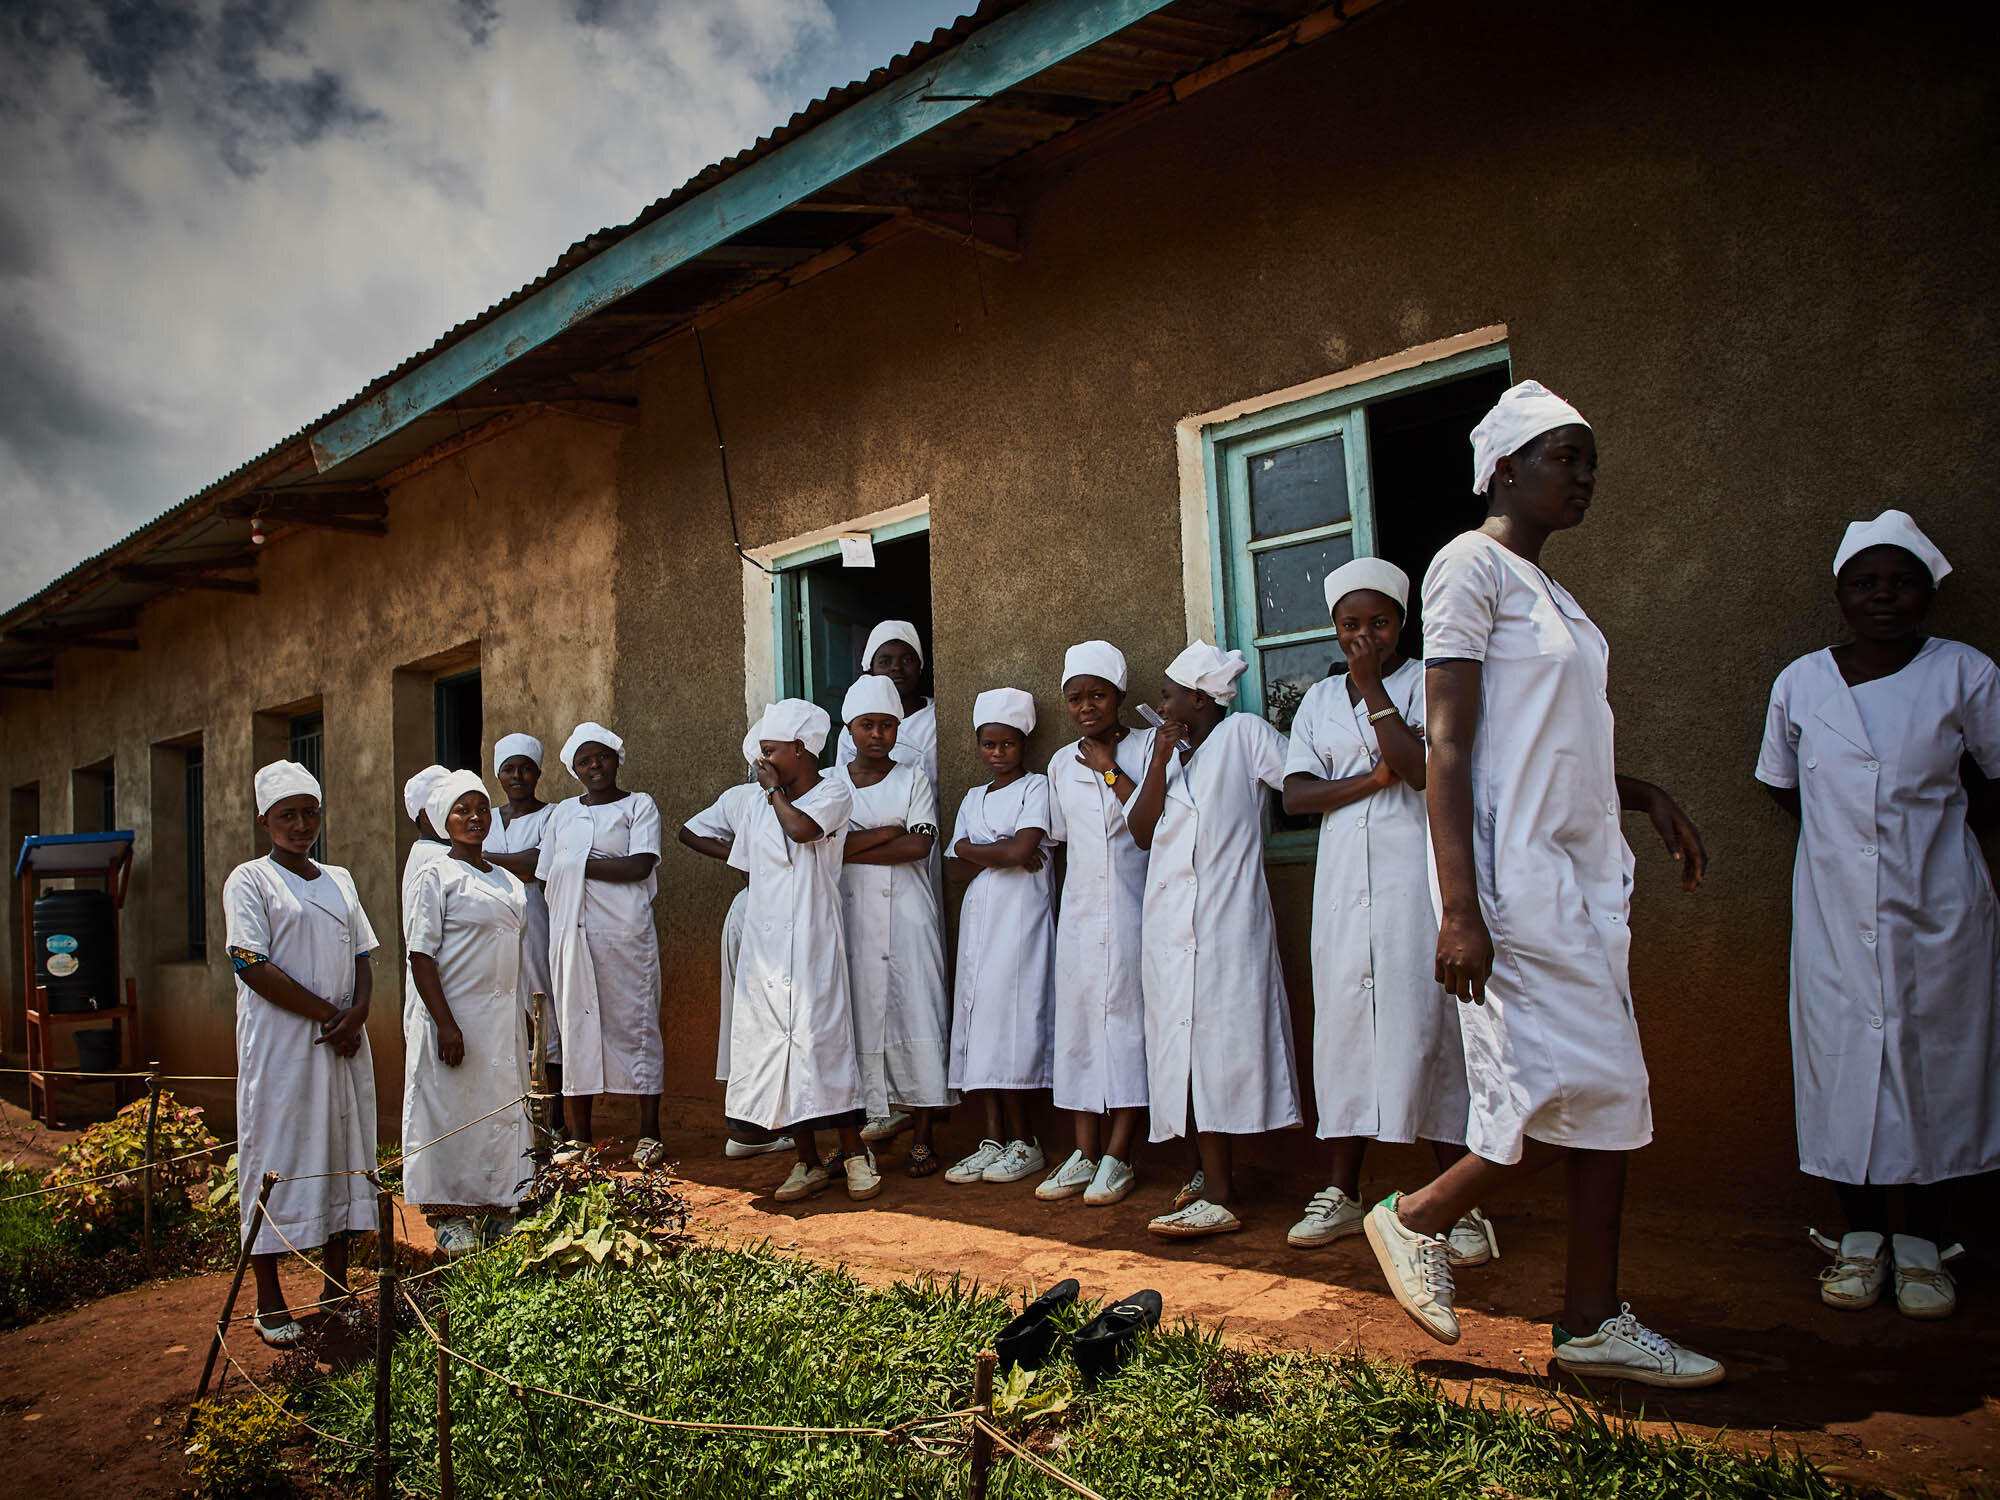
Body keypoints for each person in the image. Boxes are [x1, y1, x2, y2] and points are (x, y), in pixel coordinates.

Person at [1361, 378, 1723, 1389]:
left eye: (1588, 458)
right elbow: (1446, 747)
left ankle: (1588, 1323)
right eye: (1564, 455)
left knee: (1609, 1096)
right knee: (1547, 1085)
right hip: (1510, 883)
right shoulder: (1466, 568)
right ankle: (1414, 1216)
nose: (1584, 476)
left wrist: (1637, 791)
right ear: (1504, 468)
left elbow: (1541, 746)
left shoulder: (1552, 594)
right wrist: (1458, 909)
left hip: (1576, 876)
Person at [1757, 509, 1998, 1319]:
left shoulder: (1965, 672)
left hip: (1940, 908)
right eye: (1866, 583)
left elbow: (1992, 779)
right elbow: (1783, 785)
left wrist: (1912, 840)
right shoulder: (1800, 681)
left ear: (1927, 593)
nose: (1883, 597)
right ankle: (1859, 1241)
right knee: (1839, 1067)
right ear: (1841, 594)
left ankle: (1926, 1245)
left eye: (1900, 583)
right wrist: (1851, 849)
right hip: (1832, 915)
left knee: (1942, 1066)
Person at [1281, 560, 1495, 1269]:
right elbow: (1297, 797)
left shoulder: (1430, 680)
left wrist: (1373, 692)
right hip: (1344, 891)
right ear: (1333, 628)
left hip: (1417, 884)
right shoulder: (1314, 702)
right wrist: (1366, 780)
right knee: (1344, 1031)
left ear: (1403, 624)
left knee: (1431, 1029)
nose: (1363, 636)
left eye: (1378, 623)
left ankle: (1461, 1207)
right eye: (1350, 625)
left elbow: (1421, 767)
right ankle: (1340, 1193)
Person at [1126, 642, 1301, 1238]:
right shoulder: (1177, 762)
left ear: (1199, 699)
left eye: (1170, 695)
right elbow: (1140, 832)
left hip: (1227, 925)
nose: (1163, 704)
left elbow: (1298, 781)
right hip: (1169, 931)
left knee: (1218, 1055)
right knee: (1183, 1052)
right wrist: (1157, 761)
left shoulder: (1242, 735)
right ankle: (1205, 1176)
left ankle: (1223, 1193)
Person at [223, 761, 379, 1346]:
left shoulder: (339, 878)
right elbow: (250, 963)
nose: (300, 824)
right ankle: (269, 1300)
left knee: (341, 1151)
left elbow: (364, 954)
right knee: (276, 1157)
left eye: (308, 812)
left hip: (341, 1043)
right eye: (286, 815)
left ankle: (337, 1291)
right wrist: (328, 1016)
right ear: (263, 819)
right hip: (285, 1048)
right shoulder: (250, 881)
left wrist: (357, 1013)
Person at [726, 699, 882, 1202]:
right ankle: (806, 1161)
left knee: (822, 1042)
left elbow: (803, 831)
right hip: (767, 945)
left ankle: (855, 1154)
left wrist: (774, 791)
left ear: (800, 749)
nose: (763, 760)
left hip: (815, 937)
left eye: (771, 751)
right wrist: (769, 793)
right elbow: (749, 863)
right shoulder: (756, 804)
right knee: (778, 1049)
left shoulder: (834, 791)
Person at [1037, 641, 1153, 1207]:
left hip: (1137, 908)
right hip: (1081, 912)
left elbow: (1155, 826)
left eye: (1098, 695)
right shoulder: (1060, 764)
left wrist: (1112, 776)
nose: (1087, 707)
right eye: (1076, 697)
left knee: (1130, 1024)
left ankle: (1120, 1153)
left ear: (1120, 697)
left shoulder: (1151, 747)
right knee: (1080, 1026)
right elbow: (1058, 837)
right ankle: (1083, 1153)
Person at [402, 770, 535, 1255]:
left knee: (498, 1111)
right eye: (462, 810)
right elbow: (421, 955)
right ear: (443, 820)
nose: (475, 817)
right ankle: (449, 1215)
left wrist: (520, 1009)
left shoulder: (504, 879)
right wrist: (444, 1023)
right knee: (451, 1112)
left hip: (500, 1020)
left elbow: (512, 950)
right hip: (456, 1018)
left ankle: (501, 1205)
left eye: (481, 808)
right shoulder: (435, 875)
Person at [831, 675, 955, 1177]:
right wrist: (888, 832)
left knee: (917, 1012)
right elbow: (823, 846)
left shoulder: (913, 778)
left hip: (907, 914)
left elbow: (918, 845)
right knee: (854, 1017)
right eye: (868, 726)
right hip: (850, 913)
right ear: (851, 729)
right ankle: (860, 1133)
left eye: (886, 726)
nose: (877, 735)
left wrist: (852, 843)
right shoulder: (828, 782)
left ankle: (922, 1136)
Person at [536, 722, 667, 1168]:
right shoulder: (561, 814)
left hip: (625, 934)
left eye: (602, 757)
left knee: (636, 1023)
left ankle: (648, 1134)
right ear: (574, 769)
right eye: (585, 761)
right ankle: (579, 1136)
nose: (595, 767)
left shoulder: (639, 805)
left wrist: (580, 866)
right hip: (572, 936)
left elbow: (640, 865)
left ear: (617, 758)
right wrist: (581, 868)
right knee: (576, 1026)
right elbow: (544, 874)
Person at [944, 688, 1056, 1187]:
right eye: (989, 745)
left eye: (1007, 745)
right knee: (978, 1019)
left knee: (1012, 1018)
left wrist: (980, 850)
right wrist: (1001, 851)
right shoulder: (972, 798)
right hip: (979, 918)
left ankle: (1024, 1141)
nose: (997, 754)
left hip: (1020, 918)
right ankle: (991, 1139)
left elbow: (1025, 848)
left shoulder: (1037, 788)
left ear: (1023, 745)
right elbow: (953, 869)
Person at [677, 717, 795, 1162]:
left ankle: (746, 1127)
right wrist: (739, 856)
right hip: (771, 914)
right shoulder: (773, 800)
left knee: (745, 1014)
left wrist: (736, 857)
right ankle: (761, 1125)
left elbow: (688, 831)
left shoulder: (740, 797)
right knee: (777, 1016)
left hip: (747, 910)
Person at [481, 732, 564, 1136]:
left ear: (538, 773)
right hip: (492, 932)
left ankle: (556, 1120)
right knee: (503, 1016)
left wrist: (481, 859)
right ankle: (515, 1122)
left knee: (544, 1014)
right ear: (498, 774)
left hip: (538, 924)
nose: (518, 776)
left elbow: (536, 864)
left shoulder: (553, 816)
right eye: (509, 769)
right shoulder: (488, 819)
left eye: (526, 768)